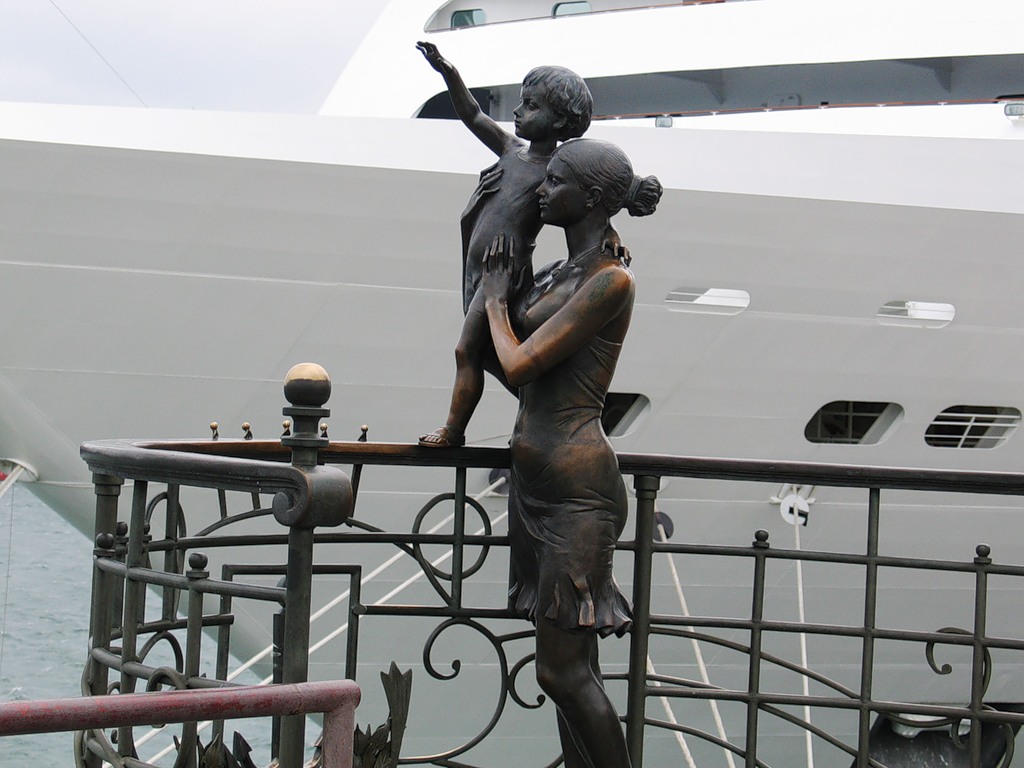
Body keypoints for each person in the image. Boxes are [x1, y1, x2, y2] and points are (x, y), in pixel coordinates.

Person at [481, 138, 662, 768]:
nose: (541, 189)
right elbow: (510, 367)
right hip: (538, 484)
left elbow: (519, 362)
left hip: (577, 492)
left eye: (555, 182)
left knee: (561, 672)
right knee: (572, 666)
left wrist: (496, 300)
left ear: (590, 198)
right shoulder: (562, 271)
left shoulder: (610, 280)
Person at [415, 41, 595, 448]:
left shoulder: (557, 169)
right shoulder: (512, 151)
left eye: (530, 105)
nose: (517, 111)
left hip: (502, 271)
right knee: (486, 356)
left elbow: (594, 198)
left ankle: (453, 431)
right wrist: (449, 73)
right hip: (478, 268)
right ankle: (551, 409)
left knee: (466, 351)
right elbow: (473, 115)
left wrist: (615, 232)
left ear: (559, 120)